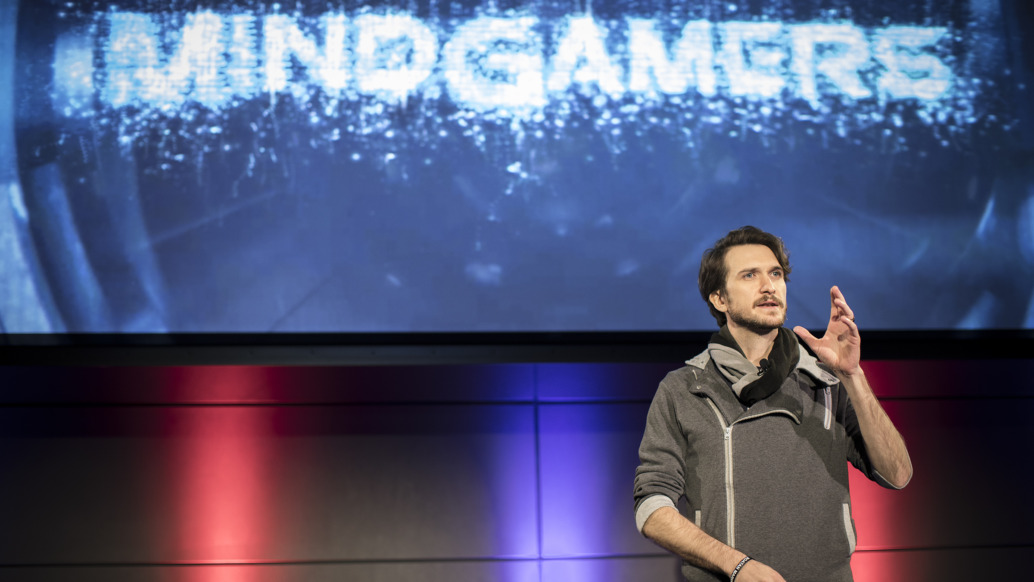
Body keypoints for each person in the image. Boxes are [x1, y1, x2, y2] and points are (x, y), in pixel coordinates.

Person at [633, 226, 912, 582]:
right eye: (750, 275)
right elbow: (651, 508)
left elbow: (898, 475)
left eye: (776, 274)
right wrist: (737, 566)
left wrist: (852, 375)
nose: (769, 286)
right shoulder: (683, 388)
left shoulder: (826, 380)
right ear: (719, 299)